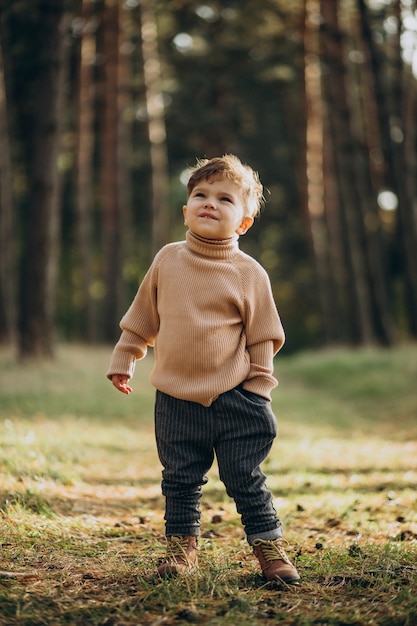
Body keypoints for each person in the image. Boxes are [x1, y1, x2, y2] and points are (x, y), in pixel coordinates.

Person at [106, 154, 300, 585]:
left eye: (224, 198)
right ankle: (181, 551)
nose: (209, 203)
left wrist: (259, 388)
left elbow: (263, 335)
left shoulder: (249, 273)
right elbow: (142, 318)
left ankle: (269, 549)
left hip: (236, 397)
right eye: (200, 195)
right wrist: (125, 357)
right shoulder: (167, 261)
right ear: (186, 210)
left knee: (245, 477)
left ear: (243, 222)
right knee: (180, 478)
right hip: (175, 398)